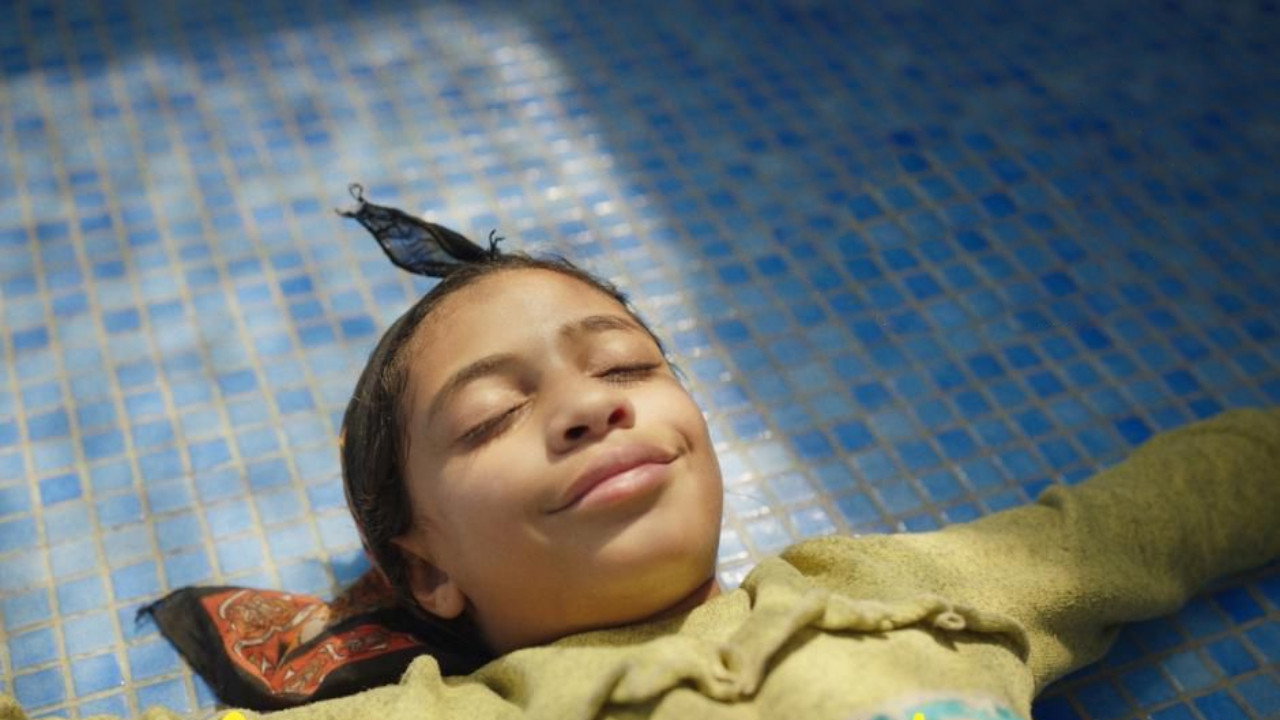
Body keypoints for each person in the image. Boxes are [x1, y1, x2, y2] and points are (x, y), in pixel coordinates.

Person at [3, 194, 1277, 720]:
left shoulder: (894, 590)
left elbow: (1154, 513)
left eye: (621, 366)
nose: (586, 408)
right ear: (424, 570)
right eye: (490, 420)